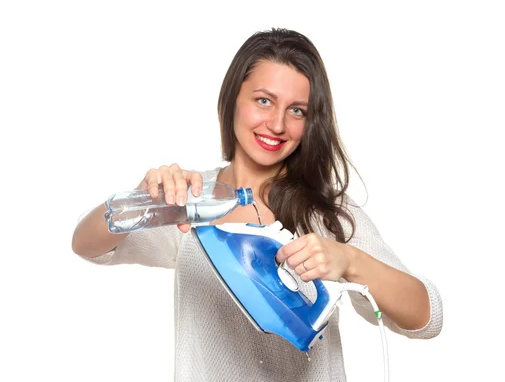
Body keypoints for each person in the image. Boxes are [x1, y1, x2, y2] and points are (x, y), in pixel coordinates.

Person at [72, 27, 443, 381]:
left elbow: (428, 318)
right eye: (263, 101)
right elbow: (88, 246)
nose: (277, 124)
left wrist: (351, 262)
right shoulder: (191, 201)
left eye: (297, 110)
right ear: (233, 98)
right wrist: (142, 202)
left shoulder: (327, 214)